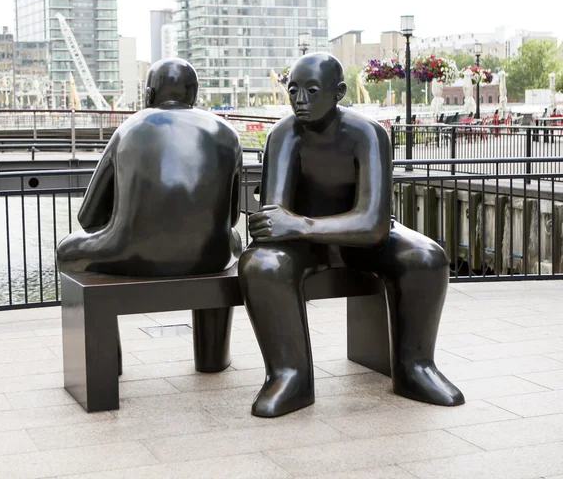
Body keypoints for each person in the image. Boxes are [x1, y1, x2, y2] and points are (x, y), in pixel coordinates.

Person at [239, 52, 464, 417]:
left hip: (359, 240)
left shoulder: (368, 134)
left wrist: (300, 224)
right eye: (293, 90)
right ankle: (289, 375)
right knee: (260, 264)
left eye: (312, 91)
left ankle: (415, 367)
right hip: (304, 246)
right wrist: (273, 226)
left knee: (426, 257)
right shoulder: (283, 135)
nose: (300, 100)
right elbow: (274, 218)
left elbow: (373, 225)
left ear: (338, 92)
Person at [57, 58, 242, 372]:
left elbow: (88, 217)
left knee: (67, 251)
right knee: (232, 239)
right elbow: (233, 216)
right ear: (194, 93)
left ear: (149, 92)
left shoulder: (129, 128)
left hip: (135, 254)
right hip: (209, 255)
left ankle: (107, 363)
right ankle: (213, 356)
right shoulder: (227, 132)